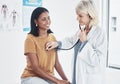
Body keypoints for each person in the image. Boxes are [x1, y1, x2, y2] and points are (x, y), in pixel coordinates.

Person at [46, 0, 107, 84]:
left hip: (89, 79)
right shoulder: (82, 30)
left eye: (80, 16)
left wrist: (85, 42)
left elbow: (98, 61)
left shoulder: (100, 33)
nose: (77, 18)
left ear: (90, 15)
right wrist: (58, 43)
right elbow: (71, 41)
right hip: (77, 75)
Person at [21, 7, 70, 84]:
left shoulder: (52, 38)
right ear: (35, 21)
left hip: (48, 78)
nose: (48, 21)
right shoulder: (30, 39)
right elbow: (35, 68)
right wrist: (57, 81)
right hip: (31, 77)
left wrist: (66, 81)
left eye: (48, 18)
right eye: (43, 19)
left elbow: (56, 64)